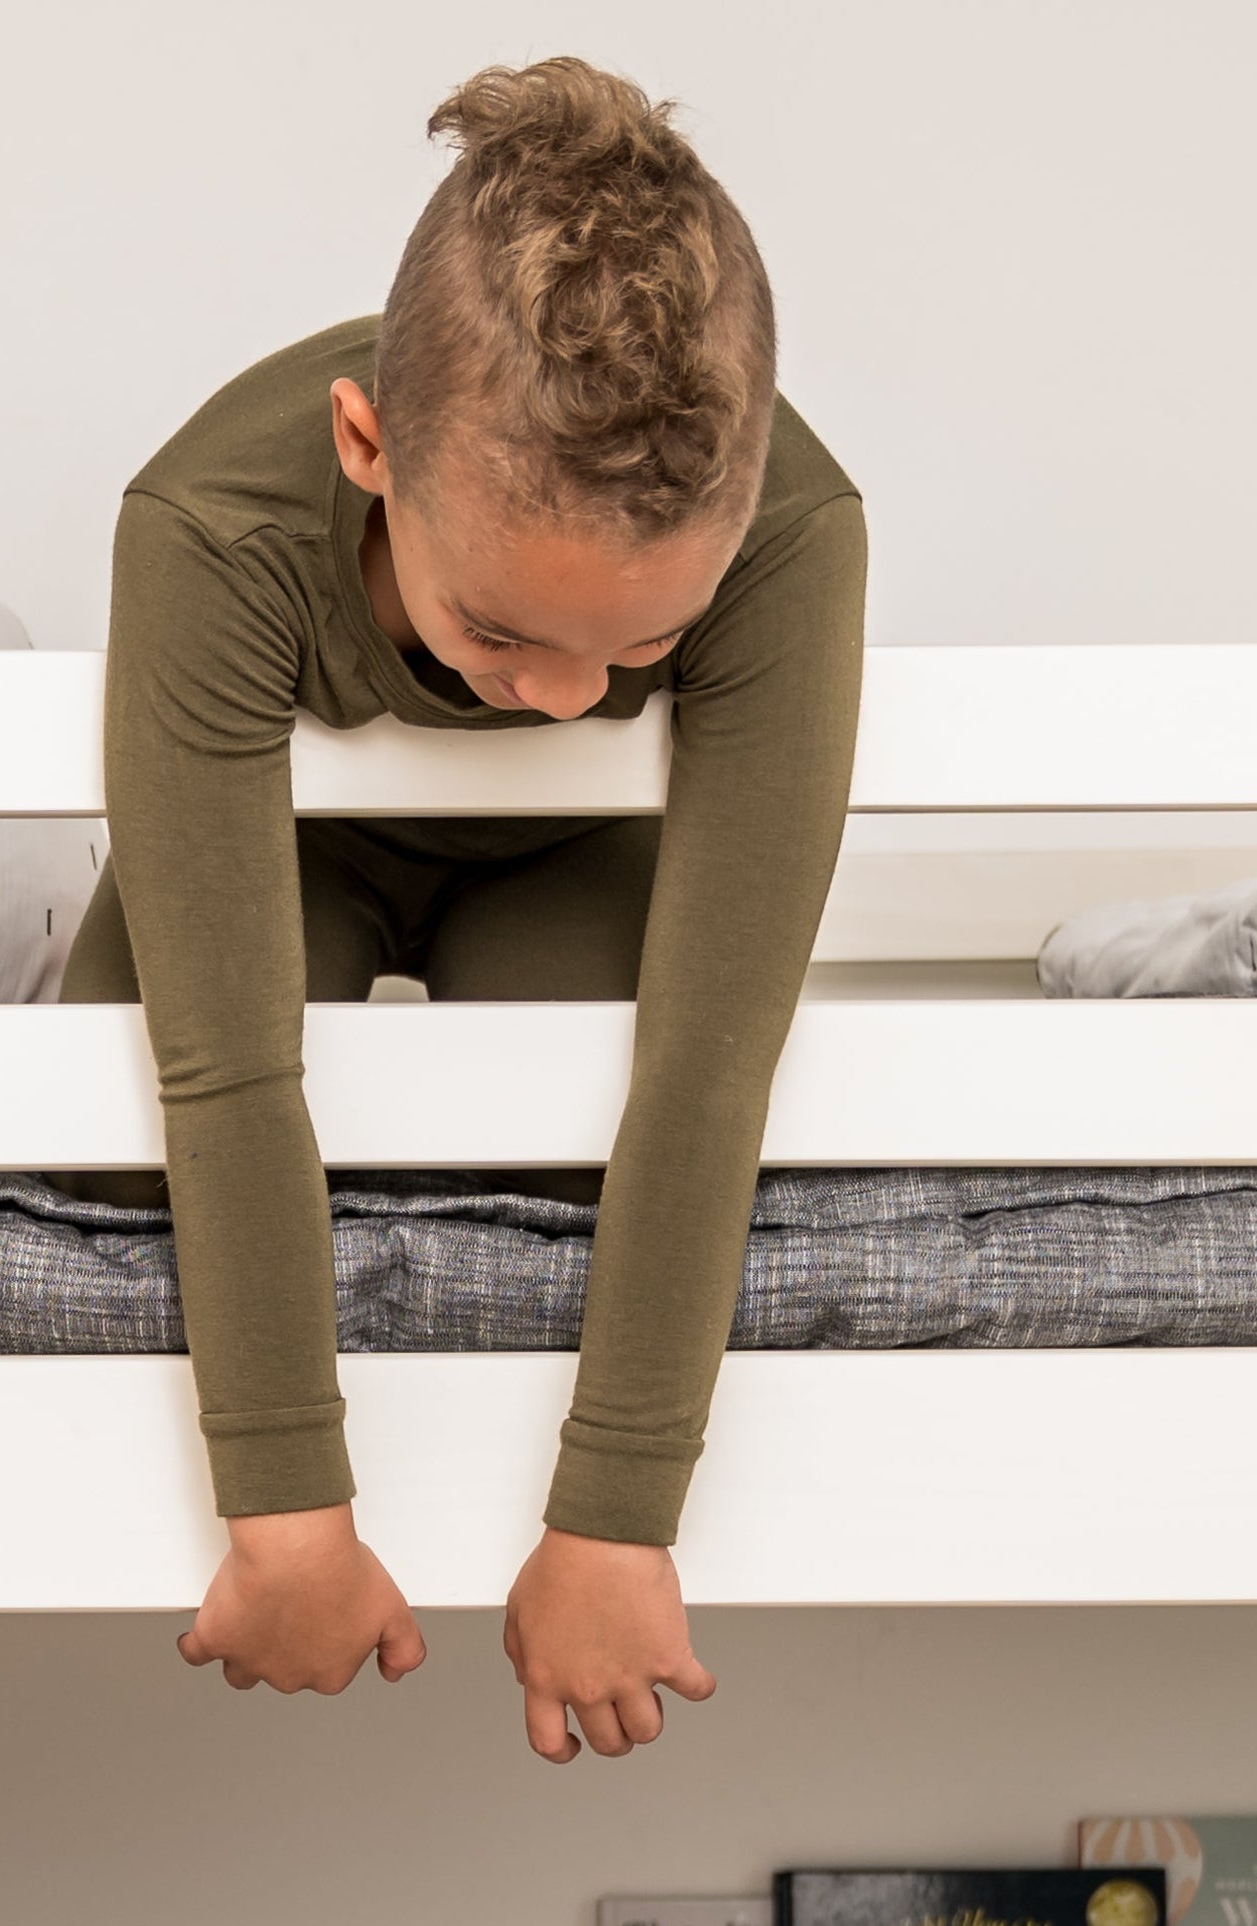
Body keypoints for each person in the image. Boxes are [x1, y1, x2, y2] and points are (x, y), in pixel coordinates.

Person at [80, 59, 866, 1765]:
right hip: (292, 850)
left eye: (642, 647)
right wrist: (286, 1508)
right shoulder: (212, 529)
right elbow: (222, 1069)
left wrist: (615, 1518)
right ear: (368, 449)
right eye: (501, 631)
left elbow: (712, 1066)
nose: (566, 698)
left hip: (560, 875)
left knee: (563, 1139)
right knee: (97, 1141)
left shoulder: (791, 535)